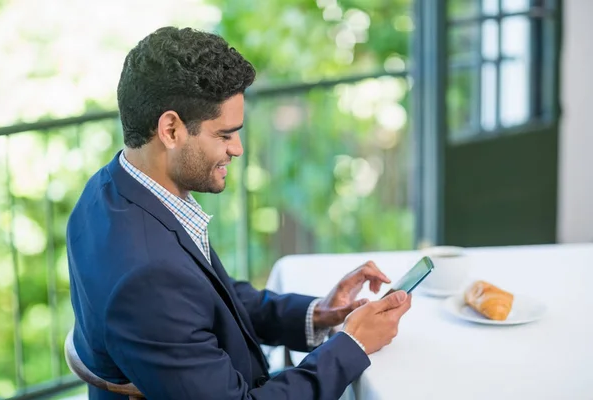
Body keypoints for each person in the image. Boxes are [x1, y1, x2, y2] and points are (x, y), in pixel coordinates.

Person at [67, 26, 412, 400]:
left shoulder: (110, 189)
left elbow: (206, 297)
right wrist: (351, 346)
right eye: (224, 134)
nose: (238, 149)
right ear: (170, 129)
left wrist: (318, 314)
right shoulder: (148, 274)